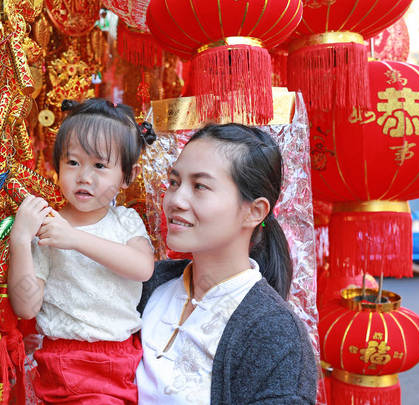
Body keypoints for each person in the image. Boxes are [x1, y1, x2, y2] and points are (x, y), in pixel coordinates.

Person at [136, 123, 318, 404]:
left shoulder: (276, 335)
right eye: (174, 182)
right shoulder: (148, 283)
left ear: (253, 211)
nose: (175, 200)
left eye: (200, 186)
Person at [8, 98, 156, 404]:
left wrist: (75, 239)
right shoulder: (48, 227)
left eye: (100, 166)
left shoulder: (125, 221)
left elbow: (143, 268)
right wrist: (20, 241)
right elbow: (26, 307)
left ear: (127, 176)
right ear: (57, 166)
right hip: (63, 360)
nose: (84, 176)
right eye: (73, 162)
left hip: (120, 357)